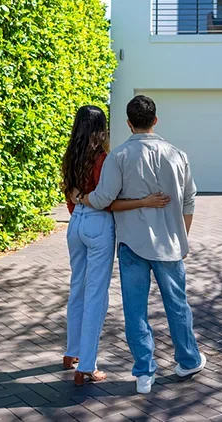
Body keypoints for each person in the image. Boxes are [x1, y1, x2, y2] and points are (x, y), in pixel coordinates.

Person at [77, 95, 205, 394]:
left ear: (128, 123)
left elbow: (102, 200)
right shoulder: (177, 155)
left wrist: (80, 198)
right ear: (155, 120)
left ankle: (144, 374)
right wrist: (181, 237)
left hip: (132, 246)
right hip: (170, 246)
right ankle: (188, 360)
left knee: (135, 312)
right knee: (177, 306)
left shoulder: (118, 157)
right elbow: (189, 200)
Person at [61, 105, 169, 386]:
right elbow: (106, 200)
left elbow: (70, 195)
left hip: (75, 225)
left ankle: (71, 352)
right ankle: (87, 366)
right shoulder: (103, 159)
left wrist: (79, 205)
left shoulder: (70, 155)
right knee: (96, 294)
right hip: (98, 224)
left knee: (78, 288)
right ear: (101, 128)